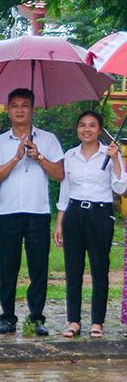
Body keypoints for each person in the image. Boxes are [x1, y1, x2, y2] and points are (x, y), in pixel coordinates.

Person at [0, 89, 64, 337]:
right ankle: (7, 317)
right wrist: (17, 157)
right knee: (8, 267)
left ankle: (35, 318)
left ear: (33, 109)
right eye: (14, 105)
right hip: (8, 212)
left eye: (25, 105)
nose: (19, 110)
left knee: (38, 267)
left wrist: (38, 155)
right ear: (8, 110)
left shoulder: (48, 139)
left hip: (38, 211)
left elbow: (60, 174)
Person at [55, 111, 126, 339]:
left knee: (99, 269)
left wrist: (115, 159)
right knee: (73, 269)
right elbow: (65, 192)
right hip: (74, 214)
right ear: (77, 129)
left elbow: (120, 188)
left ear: (100, 129)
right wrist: (59, 223)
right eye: (82, 125)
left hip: (100, 215)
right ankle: (73, 321)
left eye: (92, 125)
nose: (86, 129)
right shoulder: (70, 155)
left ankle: (97, 322)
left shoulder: (111, 153)